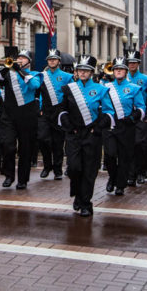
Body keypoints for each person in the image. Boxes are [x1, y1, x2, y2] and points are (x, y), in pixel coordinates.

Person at [58, 55, 115, 217]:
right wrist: (69, 126)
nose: (82, 73)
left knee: (89, 170)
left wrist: (96, 128)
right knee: (74, 168)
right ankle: (77, 193)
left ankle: (85, 203)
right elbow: (62, 110)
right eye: (80, 70)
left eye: (86, 71)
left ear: (91, 73)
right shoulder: (68, 88)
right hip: (74, 135)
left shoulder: (101, 89)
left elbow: (109, 112)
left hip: (92, 135)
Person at [0, 49, 42, 189]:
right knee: (7, 145)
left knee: (25, 149)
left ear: (29, 61)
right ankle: (8, 175)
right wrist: (7, 68)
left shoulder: (35, 74)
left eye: (23, 58)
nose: (20, 59)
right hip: (9, 115)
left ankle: (22, 179)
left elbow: (34, 86)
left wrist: (20, 71)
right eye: (18, 57)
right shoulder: (9, 73)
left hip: (27, 115)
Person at [103, 57, 145, 195]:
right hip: (110, 125)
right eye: (116, 69)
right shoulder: (106, 87)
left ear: (126, 71)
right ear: (113, 72)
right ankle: (112, 177)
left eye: (121, 69)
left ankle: (120, 184)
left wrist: (132, 118)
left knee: (124, 156)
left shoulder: (134, 88)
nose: (118, 71)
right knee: (109, 154)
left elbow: (141, 108)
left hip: (126, 126)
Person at [39, 49, 73, 180]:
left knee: (58, 142)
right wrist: (40, 107)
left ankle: (58, 169)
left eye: (54, 59)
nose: (51, 61)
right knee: (42, 138)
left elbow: (70, 96)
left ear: (59, 61)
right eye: (49, 59)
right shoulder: (42, 75)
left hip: (59, 112)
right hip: (45, 111)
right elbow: (40, 93)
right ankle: (47, 165)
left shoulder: (67, 77)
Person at [126, 51, 147, 186]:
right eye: (130, 62)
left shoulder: (146, 79)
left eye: (134, 62)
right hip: (126, 116)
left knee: (140, 145)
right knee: (129, 146)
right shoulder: (123, 78)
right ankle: (131, 175)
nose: (132, 65)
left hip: (141, 116)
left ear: (138, 64)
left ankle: (141, 172)